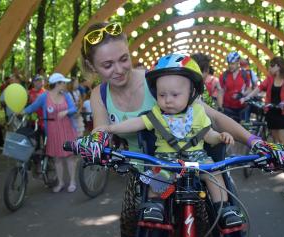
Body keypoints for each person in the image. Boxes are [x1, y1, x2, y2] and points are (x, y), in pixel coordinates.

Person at [78, 21, 284, 237]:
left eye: (124, 59)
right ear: (91, 67)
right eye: (107, 65)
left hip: (188, 169)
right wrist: (95, 143)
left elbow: (210, 116)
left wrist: (256, 141)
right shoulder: (99, 94)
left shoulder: (157, 79)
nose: (120, 69)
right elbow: (102, 130)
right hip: (143, 171)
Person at [93, 54, 241, 227]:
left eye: (175, 94)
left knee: (214, 174)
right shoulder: (157, 114)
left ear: (192, 93)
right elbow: (136, 123)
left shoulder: (198, 114)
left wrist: (221, 136)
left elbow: (209, 135)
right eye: (162, 94)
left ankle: (223, 209)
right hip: (166, 161)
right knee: (156, 176)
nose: (168, 100)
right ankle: (155, 206)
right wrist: (111, 128)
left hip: (198, 160)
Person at [23, 73, 78, 193]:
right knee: (57, 158)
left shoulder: (66, 95)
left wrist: (67, 111)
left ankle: (72, 181)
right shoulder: (44, 97)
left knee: (69, 157)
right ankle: (61, 182)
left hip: (67, 129)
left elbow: (74, 109)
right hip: (53, 131)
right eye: (63, 82)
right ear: (57, 84)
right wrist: (22, 111)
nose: (65, 84)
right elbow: (33, 106)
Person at [241, 56, 284, 144]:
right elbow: (259, 88)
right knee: (275, 141)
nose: (269, 68)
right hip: (271, 112)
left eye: (272, 65)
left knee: (283, 140)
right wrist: (247, 97)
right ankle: (277, 158)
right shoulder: (270, 79)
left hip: (283, 113)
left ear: (278, 66)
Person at [217, 51, 251, 123]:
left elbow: (249, 89)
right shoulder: (224, 75)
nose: (230, 66)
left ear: (238, 62)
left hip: (242, 108)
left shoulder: (245, 74)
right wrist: (220, 108)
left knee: (242, 130)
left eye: (232, 64)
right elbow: (220, 92)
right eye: (229, 64)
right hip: (228, 109)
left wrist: (242, 94)